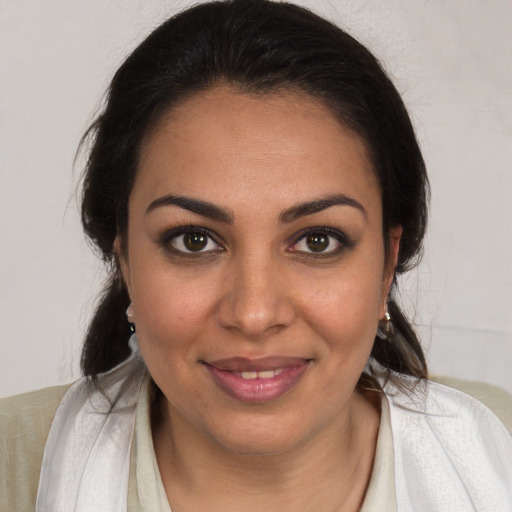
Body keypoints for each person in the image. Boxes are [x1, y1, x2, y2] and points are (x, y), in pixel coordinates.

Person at [1, 1, 511, 510]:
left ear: (386, 263)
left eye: (318, 241)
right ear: (125, 261)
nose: (254, 314)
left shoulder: (499, 451)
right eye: (194, 240)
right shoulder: (12, 469)